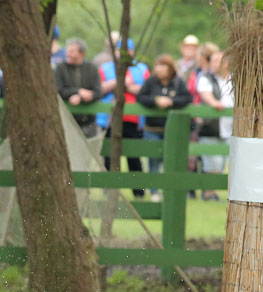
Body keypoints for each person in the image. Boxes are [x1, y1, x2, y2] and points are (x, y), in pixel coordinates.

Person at [136, 54, 192, 201]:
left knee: (172, 160)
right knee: (153, 160)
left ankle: (171, 190)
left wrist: (171, 101)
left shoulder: (178, 83)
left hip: (172, 129)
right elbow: (140, 97)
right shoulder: (151, 82)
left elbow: (187, 98)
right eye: (157, 65)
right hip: (152, 128)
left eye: (163, 66)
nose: (159, 69)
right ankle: (154, 191)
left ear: (170, 68)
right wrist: (155, 100)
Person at [97, 38, 148, 196]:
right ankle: (109, 190)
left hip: (133, 119)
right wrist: (116, 83)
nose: (123, 54)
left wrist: (129, 87)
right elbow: (98, 89)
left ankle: (138, 192)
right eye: (120, 50)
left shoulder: (141, 68)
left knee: (134, 157)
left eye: (128, 50)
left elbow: (147, 90)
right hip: (109, 120)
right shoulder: (105, 69)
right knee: (109, 156)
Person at [195, 51, 233, 201]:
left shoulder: (234, 79)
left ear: (226, 63)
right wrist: (215, 104)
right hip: (212, 127)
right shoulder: (205, 79)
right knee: (212, 162)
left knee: (224, 161)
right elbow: (206, 95)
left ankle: (225, 193)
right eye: (212, 61)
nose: (213, 64)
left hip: (231, 127)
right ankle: (209, 193)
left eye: (217, 61)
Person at [54, 38, 102, 138]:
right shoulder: (60, 68)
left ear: (82, 53)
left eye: (72, 51)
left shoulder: (92, 68)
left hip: (89, 121)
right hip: (66, 120)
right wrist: (78, 91)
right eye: (68, 51)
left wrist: (81, 97)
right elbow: (59, 90)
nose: (68, 54)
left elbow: (98, 92)